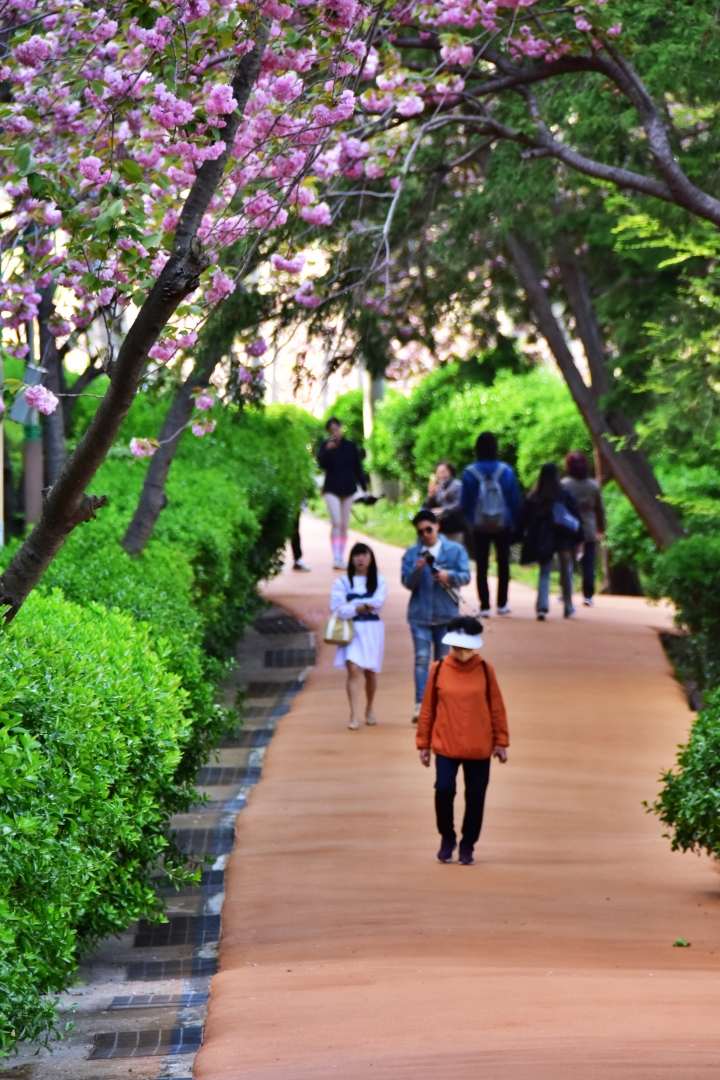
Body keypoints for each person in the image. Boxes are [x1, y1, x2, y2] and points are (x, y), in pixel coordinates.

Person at [416, 616, 509, 865]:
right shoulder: (438, 670)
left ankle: (468, 844)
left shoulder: (486, 670)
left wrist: (501, 741)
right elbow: (427, 709)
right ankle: (447, 836)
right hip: (446, 744)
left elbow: (497, 707)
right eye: (457, 647)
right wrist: (423, 744)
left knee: (476, 796)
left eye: (466, 648)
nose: (462, 652)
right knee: (444, 790)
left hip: (479, 745)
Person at [401, 510, 471, 724]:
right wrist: (417, 569)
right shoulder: (412, 553)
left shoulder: (455, 550)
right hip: (419, 615)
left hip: (446, 615)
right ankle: (420, 704)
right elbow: (407, 583)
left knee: (442, 663)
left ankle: (440, 705)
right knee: (421, 660)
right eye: (420, 532)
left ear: (437, 526)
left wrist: (448, 575)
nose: (425, 535)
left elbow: (466, 576)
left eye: (428, 530)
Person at [460, 431, 522, 618]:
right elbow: (515, 500)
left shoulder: (470, 473)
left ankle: (485, 605)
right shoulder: (506, 471)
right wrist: (515, 522)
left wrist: (470, 521)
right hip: (503, 524)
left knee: (482, 564)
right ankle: (502, 603)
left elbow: (464, 503)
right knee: (503, 563)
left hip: (479, 525)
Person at [515, 462, 583, 620]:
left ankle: (542, 607)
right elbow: (575, 516)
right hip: (564, 538)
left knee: (544, 572)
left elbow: (523, 519)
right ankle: (568, 606)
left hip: (543, 539)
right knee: (566, 572)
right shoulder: (564, 494)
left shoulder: (534, 497)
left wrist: (520, 536)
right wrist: (579, 538)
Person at [331, 542, 387, 730]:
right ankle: (353, 713)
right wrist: (364, 607)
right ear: (351, 559)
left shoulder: (379, 581)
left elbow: (378, 604)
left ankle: (369, 707)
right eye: (357, 555)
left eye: (364, 555)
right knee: (353, 669)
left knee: (371, 672)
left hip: (372, 630)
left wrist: (353, 605)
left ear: (371, 558)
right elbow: (338, 609)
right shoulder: (342, 582)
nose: (360, 559)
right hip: (351, 630)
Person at [317, 417, 366, 570]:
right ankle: (336, 557)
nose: (335, 432)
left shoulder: (350, 446)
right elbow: (321, 464)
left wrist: (364, 487)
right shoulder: (325, 447)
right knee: (336, 522)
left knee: (344, 525)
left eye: (336, 429)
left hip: (348, 489)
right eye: (331, 430)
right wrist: (327, 451)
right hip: (331, 488)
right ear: (328, 432)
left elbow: (358, 467)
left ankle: (342, 555)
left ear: (341, 428)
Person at [561, 451, 606, 606]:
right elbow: (600, 509)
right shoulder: (593, 485)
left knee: (567, 561)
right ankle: (588, 595)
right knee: (588, 563)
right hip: (589, 527)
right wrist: (601, 527)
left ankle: (566, 591)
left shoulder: (564, 484)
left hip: (569, 527)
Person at [426, 460, 466, 544]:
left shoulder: (457, 485)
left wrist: (443, 509)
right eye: (438, 472)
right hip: (441, 527)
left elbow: (459, 504)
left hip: (455, 528)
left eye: (443, 471)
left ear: (450, 472)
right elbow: (430, 506)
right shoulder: (439, 487)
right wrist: (431, 496)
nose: (441, 475)